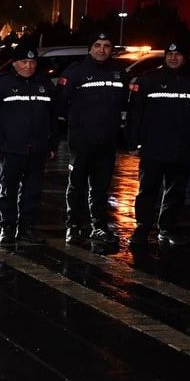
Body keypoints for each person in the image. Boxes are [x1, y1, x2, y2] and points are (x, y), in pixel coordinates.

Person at [127, 40, 190, 247]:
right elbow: (136, 113)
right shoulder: (149, 79)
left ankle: (167, 229)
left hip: (183, 148)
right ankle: (142, 228)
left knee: (176, 192)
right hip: (153, 147)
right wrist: (134, 142)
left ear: (186, 56)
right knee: (147, 190)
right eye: (170, 54)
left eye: (178, 54)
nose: (174, 58)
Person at [58, 30, 128, 248]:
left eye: (106, 45)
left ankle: (99, 225)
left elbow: (124, 107)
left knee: (101, 187)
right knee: (77, 185)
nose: (102, 49)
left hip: (107, 141)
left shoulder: (119, 74)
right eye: (97, 45)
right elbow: (61, 104)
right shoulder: (76, 72)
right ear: (90, 48)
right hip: (82, 141)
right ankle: (74, 225)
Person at [0, 46, 59, 246]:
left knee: (33, 190)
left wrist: (52, 143)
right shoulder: (2, 85)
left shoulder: (44, 85)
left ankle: (27, 228)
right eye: (24, 62)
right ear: (14, 63)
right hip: (11, 147)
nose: (28, 66)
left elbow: (53, 118)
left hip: (37, 147)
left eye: (32, 62)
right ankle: (7, 228)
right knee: (8, 189)